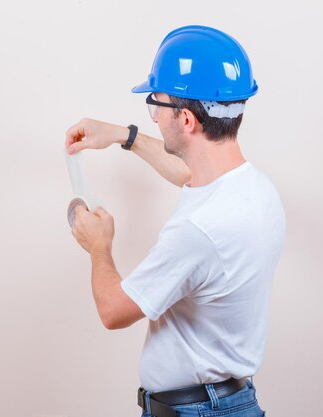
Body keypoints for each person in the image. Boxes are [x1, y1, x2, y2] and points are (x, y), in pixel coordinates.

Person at [65, 25, 285, 417]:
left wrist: (99, 246)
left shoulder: (199, 231)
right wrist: (121, 135)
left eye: (156, 105)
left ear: (186, 120)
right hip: (231, 402)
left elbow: (114, 311)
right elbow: (187, 174)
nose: (152, 118)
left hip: (200, 412)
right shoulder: (254, 190)